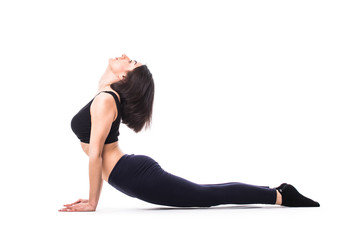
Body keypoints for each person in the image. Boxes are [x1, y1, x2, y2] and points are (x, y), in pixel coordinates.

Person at [59, 54, 320, 212]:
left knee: (206, 196)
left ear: (126, 76)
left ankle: (281, 195)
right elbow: (105, 82)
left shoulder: (106, 99)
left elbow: (95, 156)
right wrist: (119, 71)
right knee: (205, 192)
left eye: (131, 61)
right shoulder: (107, 95)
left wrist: (93, 202)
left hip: (134, 175)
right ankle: (277, 191)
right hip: (129, 173)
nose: (126, 56)